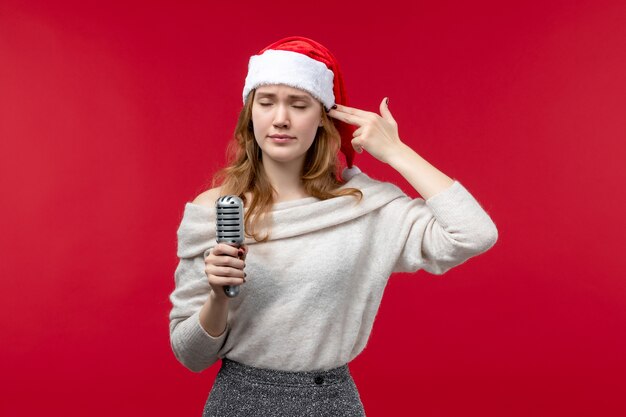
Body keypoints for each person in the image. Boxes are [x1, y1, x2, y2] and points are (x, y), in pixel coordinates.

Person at [169, 36, 499, 417]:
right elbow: (190, 355)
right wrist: (217, 297)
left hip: (330, 402)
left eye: (298, 104)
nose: (281, 118)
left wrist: (396, 152)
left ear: (322, 118)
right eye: (266, 102)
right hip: (237, 401)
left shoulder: (363, 207)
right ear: (250, 114)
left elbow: (475, 233)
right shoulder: (213, 210)